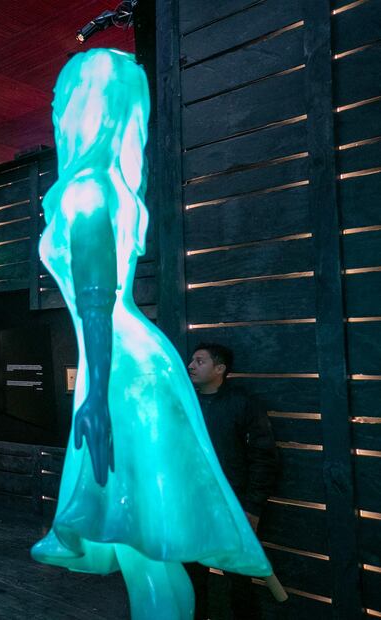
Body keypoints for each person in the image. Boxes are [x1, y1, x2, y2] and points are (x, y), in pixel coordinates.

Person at [29, 48, 272, 620]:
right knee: (142, 542)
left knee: (141, 539)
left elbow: (96, 298)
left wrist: (94, 396)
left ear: (84, 102)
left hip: (119, 368)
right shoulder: (114, 188)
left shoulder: (87, 188)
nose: (57, 106)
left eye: (63, 95)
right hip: (128, 361)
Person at [186, 343, 279, 618]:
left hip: (233, 506)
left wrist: (253, 507)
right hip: (193, 506)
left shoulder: (242, 403)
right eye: (191, 360)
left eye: (199, 361)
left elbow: (264, 457)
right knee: (192, 576)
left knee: (239, 579)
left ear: (220, 369)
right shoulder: (186, 404)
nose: (191, 365)